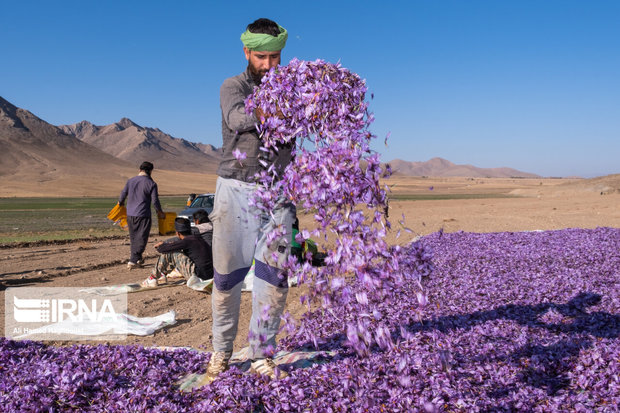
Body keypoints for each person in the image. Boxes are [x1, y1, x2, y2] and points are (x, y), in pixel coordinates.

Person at [199, 18, 294, 385]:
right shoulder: (233, 86)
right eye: (261, 57)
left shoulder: (294, 88)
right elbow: (237, 117)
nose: (269, 65)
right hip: (236, 189)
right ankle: (221, 352)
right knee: (227, 278)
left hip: (280, 191)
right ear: (246, 52)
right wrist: (278, 106)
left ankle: (261, 354)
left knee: (274, 278)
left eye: (275, 57)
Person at [118, 161, 166, 270]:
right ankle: (133, 260)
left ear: (140, 170)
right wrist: (160, 212)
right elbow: (155, 201)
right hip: (143, 214)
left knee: (134, 237)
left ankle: (138, 259)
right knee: (142, 238)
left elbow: (123, 194)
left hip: (130, 214)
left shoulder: (130, 181)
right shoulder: (151, 183)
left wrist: (120, 204)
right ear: (150, 171)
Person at [141, 217, 213, 288]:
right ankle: (163, 273)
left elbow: (162, 249)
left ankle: (153, 278)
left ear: (177, 233)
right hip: (210, 274)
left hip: (198, 275)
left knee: (169, 253)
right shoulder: (198, 238)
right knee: (177, 251)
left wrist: (162, 245)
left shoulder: (186, 241)